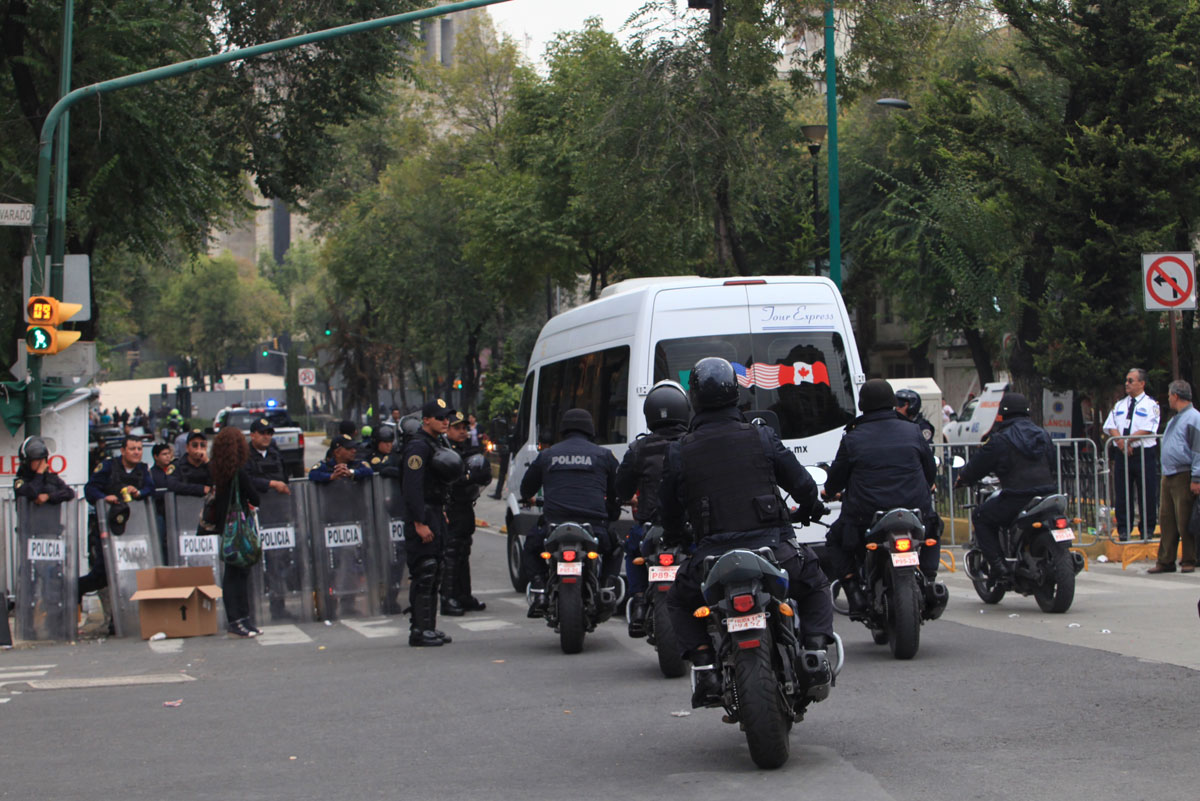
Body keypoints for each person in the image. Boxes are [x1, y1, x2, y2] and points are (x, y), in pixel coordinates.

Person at [659, 357, 834, 710]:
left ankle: (705, 666)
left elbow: (670, 510)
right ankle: (814, 652)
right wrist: (812, 505)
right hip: (773, 549)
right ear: (735, 394)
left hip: (711, 559)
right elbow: (801, 483)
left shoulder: (680, 450)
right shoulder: (761, 435)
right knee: (815, 583)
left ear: (694, 398)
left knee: (677, 599)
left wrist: (676, 535)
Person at [822, 379, 944, 618]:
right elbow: (930, 471)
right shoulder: (913, 430)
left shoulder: (853, 437)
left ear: (862, 404)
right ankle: (929, 580)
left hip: (866, 515)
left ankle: (854, 593)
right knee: (934, 528)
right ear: (891, 402)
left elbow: (836, 479)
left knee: (834, 540)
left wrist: (828, 491)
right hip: (914, 510)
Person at [520, 408, 621, 619]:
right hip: (594, 528)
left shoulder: (547, 455)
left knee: (530, 547)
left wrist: (529, 497)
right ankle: (606, 587)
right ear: (590, 429)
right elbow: (617, 491)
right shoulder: (604, 455)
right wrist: (612, 511)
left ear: (563, 429)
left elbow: (526, 488)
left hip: (554, 527)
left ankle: (539, 589)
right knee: (616, 547)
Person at [955, 392, 1056, 583]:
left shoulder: (1001, 439)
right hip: (1048, 494)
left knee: (981, 517)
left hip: (1017, 497)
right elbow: (1053, 461)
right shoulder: (1042, 434)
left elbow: (978, 465)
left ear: (1002, 413)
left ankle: (999, 566)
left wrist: (963, 478)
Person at [616, 380, 690, 637]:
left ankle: (638, 600)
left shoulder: (639, 449)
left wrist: (625, 497)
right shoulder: (692, 444)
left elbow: (622, 488)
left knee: (632, 550)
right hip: (688, 527)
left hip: (650, 528)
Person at [80, 436, 155, 632]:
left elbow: (150, 488)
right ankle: (76, 589)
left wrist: (139, 493)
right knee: (103, 574)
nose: (137, 452)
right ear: (123, 451)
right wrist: (104, 498)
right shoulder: (108, 467)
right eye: (132, 449)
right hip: (107, 530)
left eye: (139, 449)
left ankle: (120, 620)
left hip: (133, 531)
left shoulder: (142, 469)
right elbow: (90, 489)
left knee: (130, 574)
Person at [402, 399, 459, 647]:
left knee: (436, 571)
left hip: (434, 511)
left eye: (447, 417)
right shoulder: (418, 446)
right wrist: (419, 521)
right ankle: (419, 630)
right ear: (426, 420)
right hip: (423, 514)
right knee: (425, 570)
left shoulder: (435, 443)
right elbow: (412, 487)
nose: (446, 421)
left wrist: (441, 510)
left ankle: (429, 627)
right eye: (440, 418)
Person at [208, 426, 262, 638]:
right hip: (240, 527)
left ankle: (239, 620)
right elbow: (255, 497)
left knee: (232, 573)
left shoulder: (217, 471)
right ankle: (240, 619)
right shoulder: (239, 473)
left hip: (226, 526)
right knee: (240, 573)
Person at [1102, 368, 1161, 541]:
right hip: (1122, 452)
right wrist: (1121, 442)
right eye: (1126, 380)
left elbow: (1149, 428)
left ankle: (1147, 529)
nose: (1126, 384)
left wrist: (1127, 441)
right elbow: (1110, 425)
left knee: (1146, 492)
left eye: (1130, 381)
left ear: (1141, 383)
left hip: (1142, 452)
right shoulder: (1120, 404)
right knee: (1122, 493)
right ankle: (1124, 529)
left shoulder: (1151, 405)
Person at [1149, 380, 1200, 574]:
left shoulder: (1194, 418)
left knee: (1184, 518)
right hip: (1169, 473)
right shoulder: (1175, 419)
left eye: (1170, 395)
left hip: (1183, 473)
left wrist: (1196, 477)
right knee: (1167, 519)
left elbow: (1198, 449)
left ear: (1176, 396)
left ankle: (1189, 558)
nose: (1168, 399)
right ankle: (1166, 559)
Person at [441, 410, 488, 616]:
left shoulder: (465, 449)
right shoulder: (443, 451)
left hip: (465, 505)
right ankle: (448, 597)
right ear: (447, 429)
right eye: (457, 428)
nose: (462, 432)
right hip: (450, 507)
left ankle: (463, 595)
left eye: (464, 428)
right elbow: (447, 480)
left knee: (463, 550)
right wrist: (467, 478)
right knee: (451, 553)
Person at [13, 436, 75, 506]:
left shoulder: (51, 478)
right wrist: (39, 474)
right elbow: (32, 493)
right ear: (27, 461)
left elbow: (69, 493)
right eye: (36, 460)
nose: (41, 463)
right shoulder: (19, 482)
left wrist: (49, 496)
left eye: (42, 459)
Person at [308, 434, 373, 483]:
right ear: (337, 452)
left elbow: (369, 471)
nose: (354, 451)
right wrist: (332, 476)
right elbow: (312, 474)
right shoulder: (327, 465)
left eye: (354, 447)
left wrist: (351, 472)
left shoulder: (357, 463)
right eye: (349, 448)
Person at [168, 430, 212, 497]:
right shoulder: (177, 466)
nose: (199, 449)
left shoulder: (210, 465)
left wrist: (207, 462)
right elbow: (172, 485)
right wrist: (200, 489)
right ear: (187, 448)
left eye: (202, 445)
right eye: (195, 445)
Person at [149, 443, 175, 554]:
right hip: (159, 513)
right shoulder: (151, 474)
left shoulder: (174, 470)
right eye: (164, 454)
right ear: (156, 456)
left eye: (169, 454)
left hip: (175, 513)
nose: (168, 456)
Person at [488, 413, 511, 500]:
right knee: (503, 473)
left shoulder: (507, 430)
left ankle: (499, 493)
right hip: (506, 453)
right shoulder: (509, 428)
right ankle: (499, 493)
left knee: (503, 473)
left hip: (506, 453)